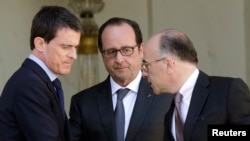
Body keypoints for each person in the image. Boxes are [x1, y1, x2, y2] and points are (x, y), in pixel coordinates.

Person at [68, 17, 173, 141]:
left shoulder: (169, 96)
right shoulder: (83, 103)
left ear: (141, 50)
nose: (119, 59)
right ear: (102, 55)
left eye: (126, 50)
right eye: (111, 52)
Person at [142, 29, 250, 141]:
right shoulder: (170, 112)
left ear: (169, 65)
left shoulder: (228, 91)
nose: (143, 74)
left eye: (146, 65)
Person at [0, 6, 82, 141]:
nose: (74, 55)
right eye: (66, 47)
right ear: (40, 44)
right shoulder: (29, 85)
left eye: (75, 47)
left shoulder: (39, 81)